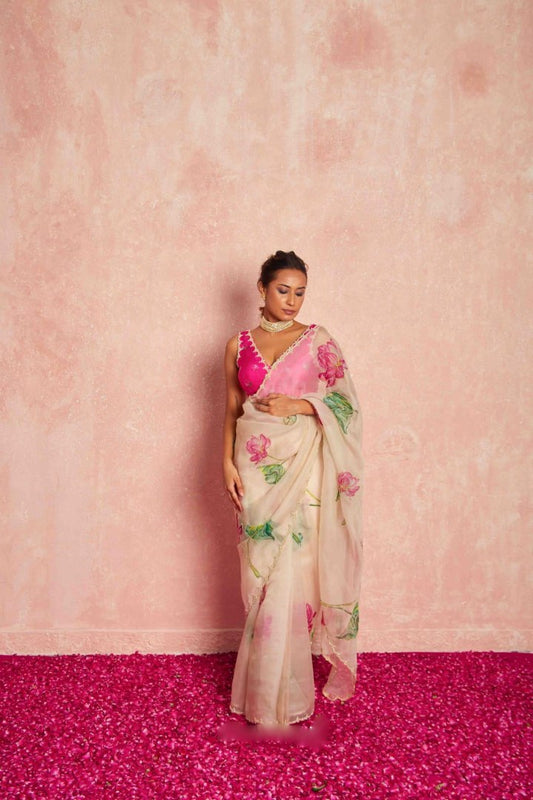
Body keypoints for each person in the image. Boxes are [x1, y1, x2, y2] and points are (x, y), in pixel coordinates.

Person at [223, 250, 363, 727]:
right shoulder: (237, 345)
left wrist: (302, 407)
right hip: (254, 470)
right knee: (259, 573)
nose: (292, 300)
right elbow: (231, 409)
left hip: (301, 471)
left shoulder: (317, 341)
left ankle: (283, 695)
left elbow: (345, 405)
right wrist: (225, 463)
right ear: (261, 288)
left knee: (292, 571)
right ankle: (263, 686)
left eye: (300, 292)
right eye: (283, 290)